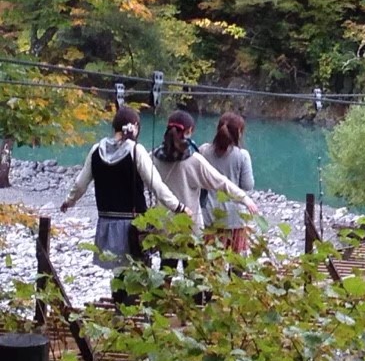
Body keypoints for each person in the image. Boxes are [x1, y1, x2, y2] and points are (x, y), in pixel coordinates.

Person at [59, 106, 188, 300]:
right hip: (134, 227)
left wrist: (68, 202)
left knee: (118, 272)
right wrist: (179, 207)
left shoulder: (96, 150)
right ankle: (135, 316)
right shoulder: (136, 151)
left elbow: (80, 184)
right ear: (135, 127)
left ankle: (119, 309)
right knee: (138, 274)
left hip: (107, 223)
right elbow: (157, 186)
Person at [153, 111, 258, 264]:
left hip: (165, 223)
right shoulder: (194, 160)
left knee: (166, 270)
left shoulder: (153, 156)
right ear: (189, 131)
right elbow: (223, 182)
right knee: (197, 272)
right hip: (192, 224)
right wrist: (244, 199)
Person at [198, 112, 255, 255]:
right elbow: (248, 185)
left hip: (209, 216)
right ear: (239, 133)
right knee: (236, 261)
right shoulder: (242, 155)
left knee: (211, 261)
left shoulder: (204, 150)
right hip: (234, 218)